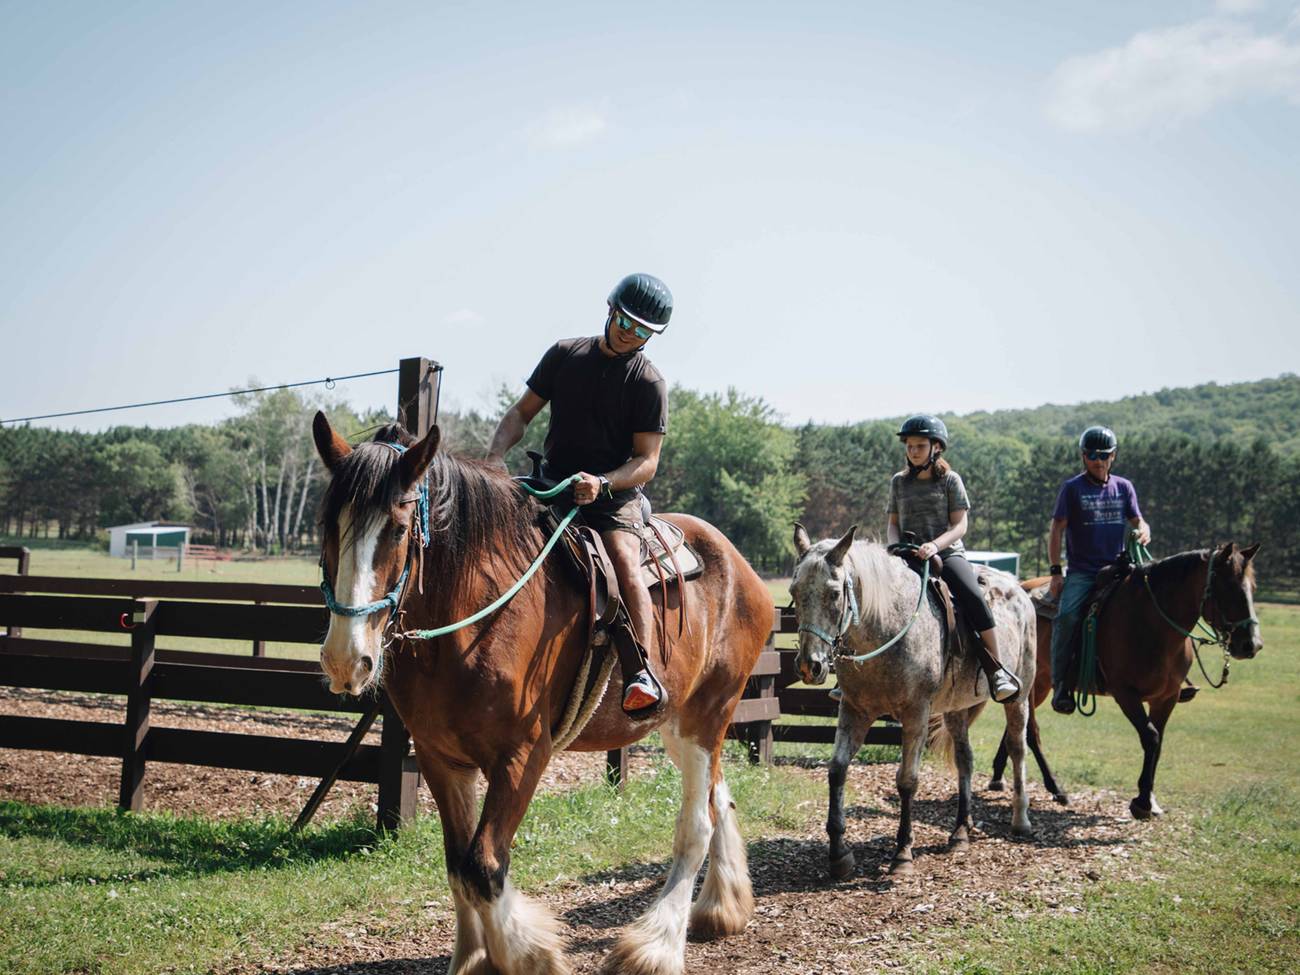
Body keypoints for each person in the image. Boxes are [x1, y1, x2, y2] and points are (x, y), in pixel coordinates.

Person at [487, 273, 671, 714]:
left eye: (644, 330)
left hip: (613, 495)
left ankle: (640, 672)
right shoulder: (564, 354)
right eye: (626, 321)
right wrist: (494, 458)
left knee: (624, 562)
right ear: (610, 309)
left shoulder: (649, 383)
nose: (631, 333)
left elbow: (648, 460)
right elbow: (520, 413)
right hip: (551, 481)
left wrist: (604, 482)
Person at [880, 414, 1021, 702]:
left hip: (946, 554)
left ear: (937, 448)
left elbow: (960, 526)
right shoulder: (899, 482)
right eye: (909, 446)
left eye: (920, 446)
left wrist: (934, 545)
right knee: (874, 600)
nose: (913, 451)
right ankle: (857, 674)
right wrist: (894, 547)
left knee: (973, 597)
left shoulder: (950, 481)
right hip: (907, 554)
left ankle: (997, 669)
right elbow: (893, 523)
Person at [1047, 425, 1152, 714]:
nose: (1098, 460)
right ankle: (1061, 686)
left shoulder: (1124, 487)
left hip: (1119, 569)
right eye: (1092, 455)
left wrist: (1144, 530)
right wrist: (1056, 571)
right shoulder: (1072, 489)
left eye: (1104, 455)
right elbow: (1057, 529)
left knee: (1155, 605)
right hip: (1083, 572)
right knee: (1066, 617)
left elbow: (1138, 521)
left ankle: (1167, 677)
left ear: (1113, 456)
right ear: (1083, 456)